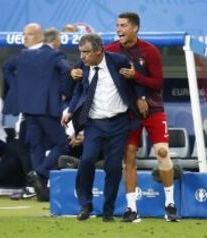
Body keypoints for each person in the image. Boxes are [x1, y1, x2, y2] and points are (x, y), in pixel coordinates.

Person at [61, 33, 144, 222]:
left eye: (86, 52)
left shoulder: (118, 61)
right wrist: (70, 111)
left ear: (99, 51)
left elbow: (135, 80)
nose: (82, 56)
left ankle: (108, 211)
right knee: (87, 160)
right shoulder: (82, 67)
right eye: (80, 52)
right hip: (94, 124)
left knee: (114, 168)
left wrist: (141, 98)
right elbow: (78, 91)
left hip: (118, 123)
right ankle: (85, 205)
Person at [105, 12, 178, 222]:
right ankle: (131, 208)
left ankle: (170, 204)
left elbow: (158, 83)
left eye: (123, 25)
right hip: (127, 112)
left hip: (153, 109)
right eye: (117, 25)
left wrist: (135, 76)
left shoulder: (150, 51)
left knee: (163, 152)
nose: (118, 29)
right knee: (128, 156)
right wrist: (76, 71)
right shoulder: (110, 50)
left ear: (135, 28)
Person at [2, 23, 71, 200]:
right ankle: (39, 175)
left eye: (30, 34)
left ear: (40, 37)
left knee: (38, 146)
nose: (25, 37)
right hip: (45, 108)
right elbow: (66, 70)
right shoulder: (52, 55)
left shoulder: (27, 56)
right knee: (60, 144)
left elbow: (6, 68)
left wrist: (18, 89)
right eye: (24, 34)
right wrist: (64, 92)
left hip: (30, 109)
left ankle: (39, 183)